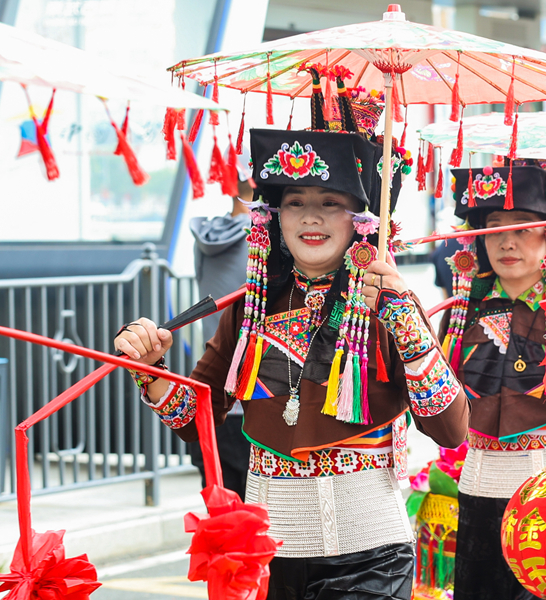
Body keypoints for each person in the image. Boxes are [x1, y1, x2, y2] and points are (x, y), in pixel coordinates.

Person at [115, 71, 469, 600]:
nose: (311, 217)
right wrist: (153, 373)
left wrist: (404, 322)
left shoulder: (390, 301)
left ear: (361, 220)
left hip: (369, 554)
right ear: (273, 217)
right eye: (296, 201)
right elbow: (198, 421)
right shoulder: (250, 307)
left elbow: (450, 430)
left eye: (330, 203)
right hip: (268, 559)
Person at [438, 162, 546, 600]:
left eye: (523, 227)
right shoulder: (462, 310)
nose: (506, 241)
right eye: (494, 226)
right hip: (478, 487)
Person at [186, 152, 253, 499]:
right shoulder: (264, 243)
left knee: (222, 515)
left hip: (209, 388)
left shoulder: (206, 237)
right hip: (252, 398)